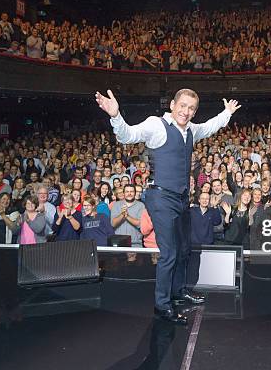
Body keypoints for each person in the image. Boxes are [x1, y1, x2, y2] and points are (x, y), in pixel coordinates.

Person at [96, 88, 241, 325]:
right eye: (182, 106)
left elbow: (210, 126)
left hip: (182, 198)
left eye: (191, 108)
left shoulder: (191, 130)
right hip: (161, 197)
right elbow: (128, 135)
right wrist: (115, 115)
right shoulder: (156, 125)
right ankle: (162, 306)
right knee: (169, 253)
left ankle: (179, 291)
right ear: (173, 104)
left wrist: (226, 113)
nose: (186, 112)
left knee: (184, 248)